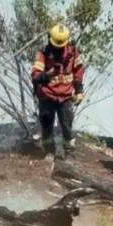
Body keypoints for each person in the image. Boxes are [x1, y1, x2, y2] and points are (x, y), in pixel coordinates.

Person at [30, 24, 85, 159]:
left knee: (67, 125)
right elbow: (35, 75)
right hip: (47, 95)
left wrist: (79, 90)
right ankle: (49, 151)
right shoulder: (43, 53)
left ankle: (69, 153)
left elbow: (78, 72)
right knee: (47, 124)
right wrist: (47, 75)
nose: (58, 48)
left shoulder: (73, 52)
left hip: (65, 97)